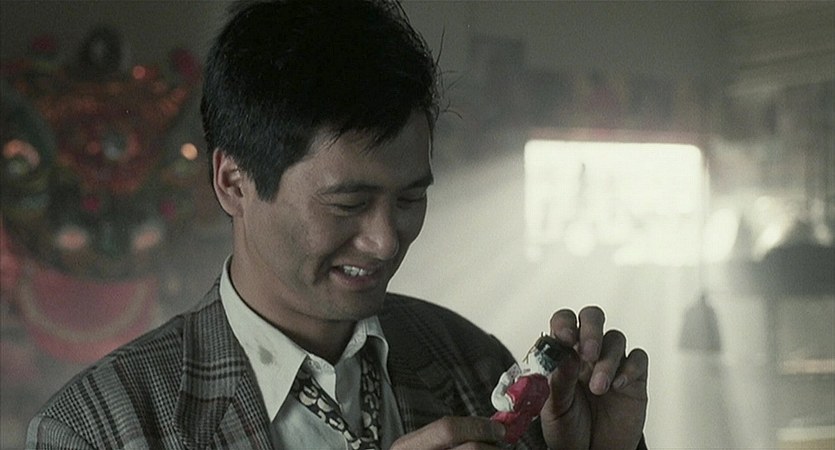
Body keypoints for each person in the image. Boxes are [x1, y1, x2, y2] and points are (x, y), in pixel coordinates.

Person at [27, 1, 649, 448]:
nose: (385, 240)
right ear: (233, 182)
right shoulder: (98, 429)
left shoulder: (473, 364)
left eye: (410, 198)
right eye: (348, 204)